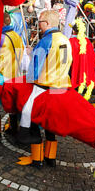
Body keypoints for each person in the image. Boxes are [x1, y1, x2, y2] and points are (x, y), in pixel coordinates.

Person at [15, 10, 73, 167]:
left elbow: (35, 66)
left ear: (47, 23)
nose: (37, 25)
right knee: (50, 122)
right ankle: (51, 157)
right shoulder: (65, 40)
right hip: (61, 87)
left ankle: (37, 159)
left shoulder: (46, 40)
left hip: (43, 86)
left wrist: (29, 54)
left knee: (31, 117)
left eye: (39, 22)